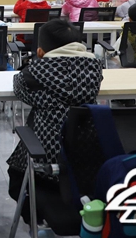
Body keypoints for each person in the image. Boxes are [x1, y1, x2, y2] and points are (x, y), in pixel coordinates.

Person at [6, 20, 103, 225]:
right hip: (88, 166)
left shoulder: (34, 73)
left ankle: (35, 217)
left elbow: (19, 87)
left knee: (17, 173)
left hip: (46, 166)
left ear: (41, 51)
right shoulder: (95, 69)